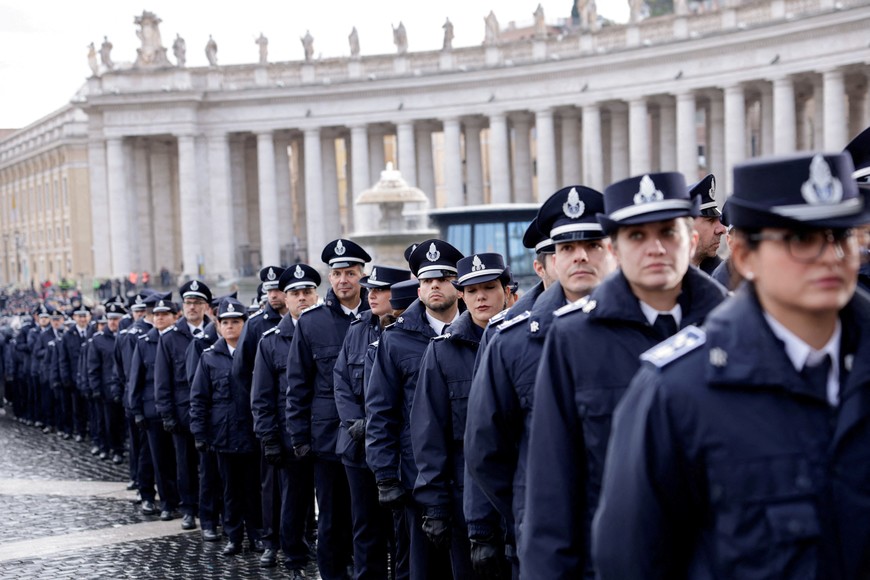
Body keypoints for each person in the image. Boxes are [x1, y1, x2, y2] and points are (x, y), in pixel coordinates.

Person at [593, 152, 870, 578]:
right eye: (800, 239)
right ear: (743, 255)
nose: (830, 256)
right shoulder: (678, 389)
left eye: (840, 235)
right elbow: (633, 559)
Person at [520, 172, 728, 578]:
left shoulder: (734, 326)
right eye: (636, 236)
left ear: (690, 239)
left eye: (668, 232)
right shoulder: (574, 338)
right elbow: (552, 485)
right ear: (615, 248)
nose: (655, 249)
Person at [465, 185, 617, 577]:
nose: (581, 255)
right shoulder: (510, 340)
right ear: (549, 260)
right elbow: (486, 448)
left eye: (593, 244)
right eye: (566, 247)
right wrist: (527, 508)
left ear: (612, 250)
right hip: (549, 541)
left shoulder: (653, 329)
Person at [366, 239, 464, 580]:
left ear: (459, 285)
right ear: (418, 289)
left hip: (470, 472)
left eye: (443, 278)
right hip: (415, 475)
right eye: (426, 281)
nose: (434, 286)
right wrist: (385, 475)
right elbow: (381, 411)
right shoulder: (396, 339)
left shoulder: (482, 332)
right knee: (422, 567)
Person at [412, 252, 514, 578]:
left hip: (519, 492)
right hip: (463, 498)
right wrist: (435, 504)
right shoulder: (442, 351)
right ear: (461, 294)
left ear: (507, 290)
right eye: (471, 290)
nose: (480, 297)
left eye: (489, 287)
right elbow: (429, 432)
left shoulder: (527, 340)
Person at [286, 239, 372, 580]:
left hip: (370, 435)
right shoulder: (311, 322)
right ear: (329, 278)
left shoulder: (378, 315)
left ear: (362, 276)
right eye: (336, 273)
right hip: (326, 439)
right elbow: (298, 384)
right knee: (332, 519)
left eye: (350, 273)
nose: (343, 280)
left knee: (367, 518)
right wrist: (299, 435)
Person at [335, 265, 412, 579]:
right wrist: (358, 422)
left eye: (380, 290)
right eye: (370, 289)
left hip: (395, 446)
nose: (372, 295)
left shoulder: (407, 329)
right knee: (365, 525)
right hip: (358, 446)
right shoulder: (358, 328)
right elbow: (340, 380)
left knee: (402, 528)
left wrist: (379, 425)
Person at [251, 264, 320, 576]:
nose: (302, 298)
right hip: (290, 436)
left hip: (327, 433)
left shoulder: (331, 329)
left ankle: (334, 554)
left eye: (307, 292)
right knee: (292, 502)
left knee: (333, 503)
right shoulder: (270, 340)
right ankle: (293, 558)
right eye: (295, 293)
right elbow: (261, 396)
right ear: (285, 298)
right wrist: (268, 438)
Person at [191, 296, 263, 557]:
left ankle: (257, 534)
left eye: (236, 321)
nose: (230, 326)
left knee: (254, 489)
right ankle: (234, 536)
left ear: (245, 325)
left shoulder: (256, 354)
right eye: (225, 322)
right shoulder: (209, 358)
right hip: (223, 435)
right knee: (230, 490)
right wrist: (200, 433)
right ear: (218, 326)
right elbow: (199, 398)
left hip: (251, 433)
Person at [155, 280, 213, 531]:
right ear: (182, 307)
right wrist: (167, 414)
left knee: (209, 466)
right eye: (188, 303)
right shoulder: (170, 337)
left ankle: (209, 508)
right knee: (185, 464)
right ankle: (189, 509)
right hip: (182, 411)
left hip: (210, 412)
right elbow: (163, 379)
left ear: (205, 307)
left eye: (197, 303)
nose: (192, 307)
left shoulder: (215, 332)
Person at [128, 293, 180, 521]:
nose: (159, 318)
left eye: (164, 314)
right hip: (151, 411)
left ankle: (180, 500)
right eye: (156, 315)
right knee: (154, 459)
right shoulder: (144, 342)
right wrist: (137, 410)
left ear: (173, 317)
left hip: (175, 409)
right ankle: (160, 500)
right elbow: (135, 378)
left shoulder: (179, 340)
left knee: (178, 460)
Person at [689, 174, 728, 275]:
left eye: (719, 220)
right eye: (710, 220)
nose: (722, 229)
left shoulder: (726, 279)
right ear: (687, 227)